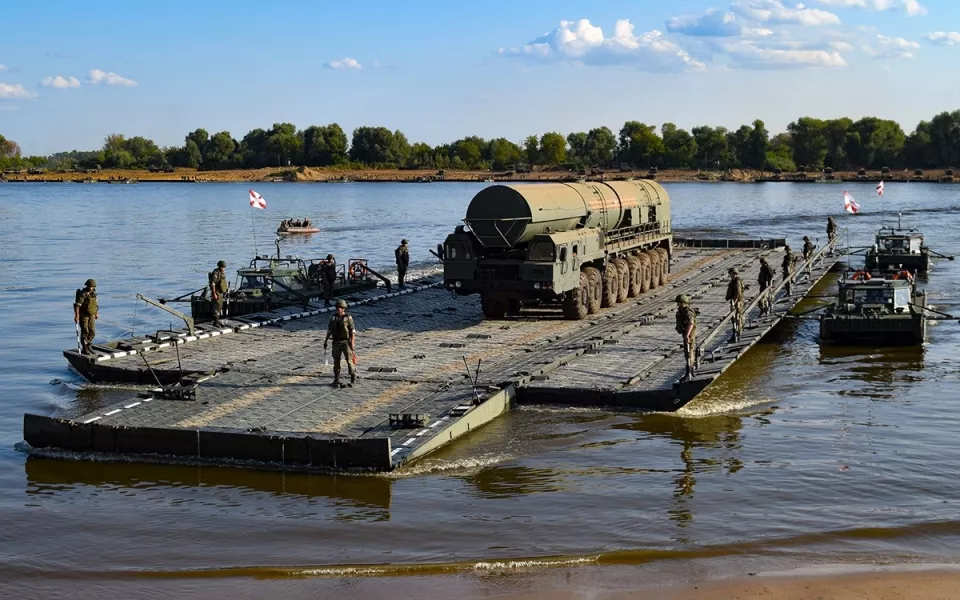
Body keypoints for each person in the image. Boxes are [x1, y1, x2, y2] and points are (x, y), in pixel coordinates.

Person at [324, 299, 356, 387]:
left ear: (344, 308)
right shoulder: (333, 317)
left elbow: (352, 331)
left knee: (349, 361)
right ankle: (336, 379)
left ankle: (353, 377)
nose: (339, 309)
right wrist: (326, 340)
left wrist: (352, 343)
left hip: (345, 341)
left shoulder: (348, 318)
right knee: (336, 361)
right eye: (337, 307)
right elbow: (329, 330)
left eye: (341, 307)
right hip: (336, 342)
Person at [74, 278, 99, 355]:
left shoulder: (93, 293)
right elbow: (77, 305)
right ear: (87, 286)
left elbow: (95, 304)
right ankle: (85, 347)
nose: (91, 288)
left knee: (92, 331)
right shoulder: (83, 294)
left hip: (91, 314)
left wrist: (96, 313)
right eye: (90, 286)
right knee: (85, 331)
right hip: (84, 315)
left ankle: (87, 344)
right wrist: (77, 315)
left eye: (93, 287)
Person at [675, 294, 697, 382]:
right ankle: (690, 371)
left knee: (689, 353)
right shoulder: (682, 311)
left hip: (689, 334)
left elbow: (691, 323)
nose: (678, 305)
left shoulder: (688, 312)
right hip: (685, 333)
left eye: (679, 303)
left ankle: (690, 372)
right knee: (687, 354)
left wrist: (687, 335)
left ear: (684, 303)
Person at [725, 267, 745, 342]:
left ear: (734, 273)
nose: (730, 275)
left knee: (738, 318)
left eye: (731, 273)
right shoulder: (733, 281)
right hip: (734, 301)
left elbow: (738, 294)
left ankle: (738, 334)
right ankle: (735, 334)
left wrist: (734, 303)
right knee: (733, 318)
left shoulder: (737, 282)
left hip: (737, 302)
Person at [209, 260, 229, 327]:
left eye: (223, 267)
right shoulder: (216, 273)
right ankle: (215, 322)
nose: (223, 268)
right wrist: (214, 293)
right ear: (219, 266)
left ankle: (217, 320)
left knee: (220, 306)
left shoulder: (222, 273)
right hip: (216, 291)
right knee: (216, 306)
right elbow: (213, 284)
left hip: (220, 292)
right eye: (222, 267)